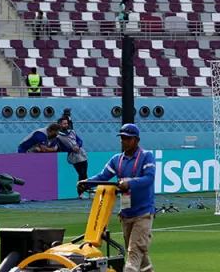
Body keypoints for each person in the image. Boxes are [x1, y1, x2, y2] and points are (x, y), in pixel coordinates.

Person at [80, 125, 155, 272]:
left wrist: (129, 184)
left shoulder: (146, 156)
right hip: (126, 214)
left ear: (137, 140)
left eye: (128, 138)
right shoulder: (117, 160)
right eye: (122, 138)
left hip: (143, 213)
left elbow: (149, 178)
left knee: (134, 253)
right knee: (141, 254)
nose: (124, 141)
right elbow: (103, 177)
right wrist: (85, 182)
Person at [56, 116, 88, 195]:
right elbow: (62, 149)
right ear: (60, 125)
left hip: (82, 155)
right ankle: (80, 192)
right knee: (81, 174)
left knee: (85, 175)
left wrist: (78, 145)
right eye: (64, 124)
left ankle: (86, 191)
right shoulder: (58, 137)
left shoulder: (72, 132)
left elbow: (80, 140)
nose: (66, 125)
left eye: (67, 123)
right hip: (74, 158)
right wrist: (72, 149)